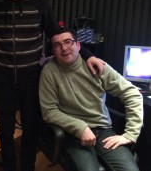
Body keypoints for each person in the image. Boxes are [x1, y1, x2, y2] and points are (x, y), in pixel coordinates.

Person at [0, 0, 105, 171]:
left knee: (31, 129)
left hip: (32, 79)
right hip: (2, 80)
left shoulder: (39, 4)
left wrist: (87, 54)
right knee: (5, 131)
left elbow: (58, 34)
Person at [39, 28, 143, 171]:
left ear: (78, 45)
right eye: (57, 45)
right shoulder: (49, 72)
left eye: (68, 42)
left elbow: (132, 93)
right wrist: (80, 128)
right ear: (53, 50)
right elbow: (49, 111)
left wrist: (130, 134)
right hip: (72, 134)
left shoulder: (96, 66)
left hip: (103, 131)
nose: (63, 48)